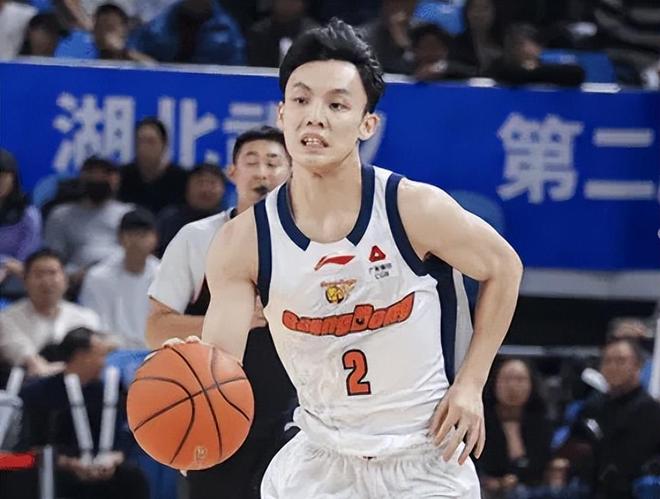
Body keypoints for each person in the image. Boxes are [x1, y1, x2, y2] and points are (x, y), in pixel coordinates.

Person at [193, 19, 522, 498]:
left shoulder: (411, 208)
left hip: (424, 456)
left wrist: (471, 384)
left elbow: (504, 268)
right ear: (281, 114)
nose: (315, 116)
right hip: (321, 461)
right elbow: (219, 367)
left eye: (336, 104)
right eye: (301, 100)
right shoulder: (241, 242)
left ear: (368, 124)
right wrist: (189, 398)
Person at [147, 126, 296, 499]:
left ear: (292, 171)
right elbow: (155, 329)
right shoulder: (196, 237)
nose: (262, 172)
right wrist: (232, 322)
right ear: (232, 172)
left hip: (297, 416)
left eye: (273, 162)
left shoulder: (315, 241)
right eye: (251, 161)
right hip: (214, 411)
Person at [19, 327, 150, 499]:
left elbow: (123, 434)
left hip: (103, 468)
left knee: (133, 477)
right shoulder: (38, 393)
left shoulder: (107, 392)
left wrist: (114, 457)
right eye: (100, 356)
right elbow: (31, 446)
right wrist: (68, 463)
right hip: (59, 470)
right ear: (81, 356)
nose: (104, 363)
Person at [566, 338, 660, 499]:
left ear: (638, 365)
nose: (613, 367)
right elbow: (574, 446)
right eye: (607, 361)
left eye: (621, 361)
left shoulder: (652, 411)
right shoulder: (591, 408)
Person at [0, 249, 100, 377]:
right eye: (39, 274)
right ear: (25, 281)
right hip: (29, 383)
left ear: (65, 280)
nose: (46, 281)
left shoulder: (86, 317)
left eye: (52, 273)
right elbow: (21, 352)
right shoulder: (7, 318)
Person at [44, 156, 133, 293]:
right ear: (82, 177)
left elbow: (138, 254)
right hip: (77, 284)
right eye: (92, 173)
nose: (98, 179)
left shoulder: (129, 214)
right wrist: (73, 274)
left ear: (116, 179)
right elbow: (53, 258)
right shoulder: (61, 215)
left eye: (105, 174)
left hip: (122, 282)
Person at [80, 208, 159, 348]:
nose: (138, 241)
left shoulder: (164, 275)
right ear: (120, 238)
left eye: (144, 234)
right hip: (112, 351)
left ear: (155, 239)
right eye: (133, 234)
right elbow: (94, 324)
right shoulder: (98, 277)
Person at [479, 358, 553, 497]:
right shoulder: (479, 421)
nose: (512, 386)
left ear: (532, 384)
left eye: (520, 380)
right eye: (506, 379)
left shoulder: (543, 422)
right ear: (494, 382)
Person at [131, 0, 246, 65]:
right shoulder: (162, 23)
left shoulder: (226, 32)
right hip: (163, 90)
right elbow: (133, 49)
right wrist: (151, 65)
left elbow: (235, 74)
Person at [118, 117, 188, 215]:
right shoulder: (122, 176)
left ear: (164, 145)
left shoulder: (181, 179)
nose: (144, 147)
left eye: (150, 142)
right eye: (140, 141)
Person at [156, 163, 226, 256]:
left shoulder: (229, 221)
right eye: (200, 183)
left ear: (223, 190)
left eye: (212, 183)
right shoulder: (169, 219)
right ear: (187, 187)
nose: (205, 190)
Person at [0, 149, 42, 297]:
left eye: (3, 176)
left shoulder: (28, 214)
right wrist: (4, 262)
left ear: (14, 179)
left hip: (16, 275)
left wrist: (6, 268)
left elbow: (27, 259)